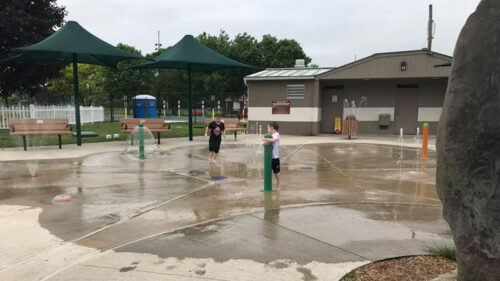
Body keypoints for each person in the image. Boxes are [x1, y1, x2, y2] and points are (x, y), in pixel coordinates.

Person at [262, 121, 281, 190]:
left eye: (268, 128)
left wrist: (265, 139)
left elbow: (273, 140)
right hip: (269, 157)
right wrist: (265, 142)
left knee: (276, 172)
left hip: (275, 157)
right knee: (268, 171)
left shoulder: (276, 134)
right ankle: (269, 184)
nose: (267, 129)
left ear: (272, 128)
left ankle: (279, 184)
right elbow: (265, 143)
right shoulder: (270, 135)